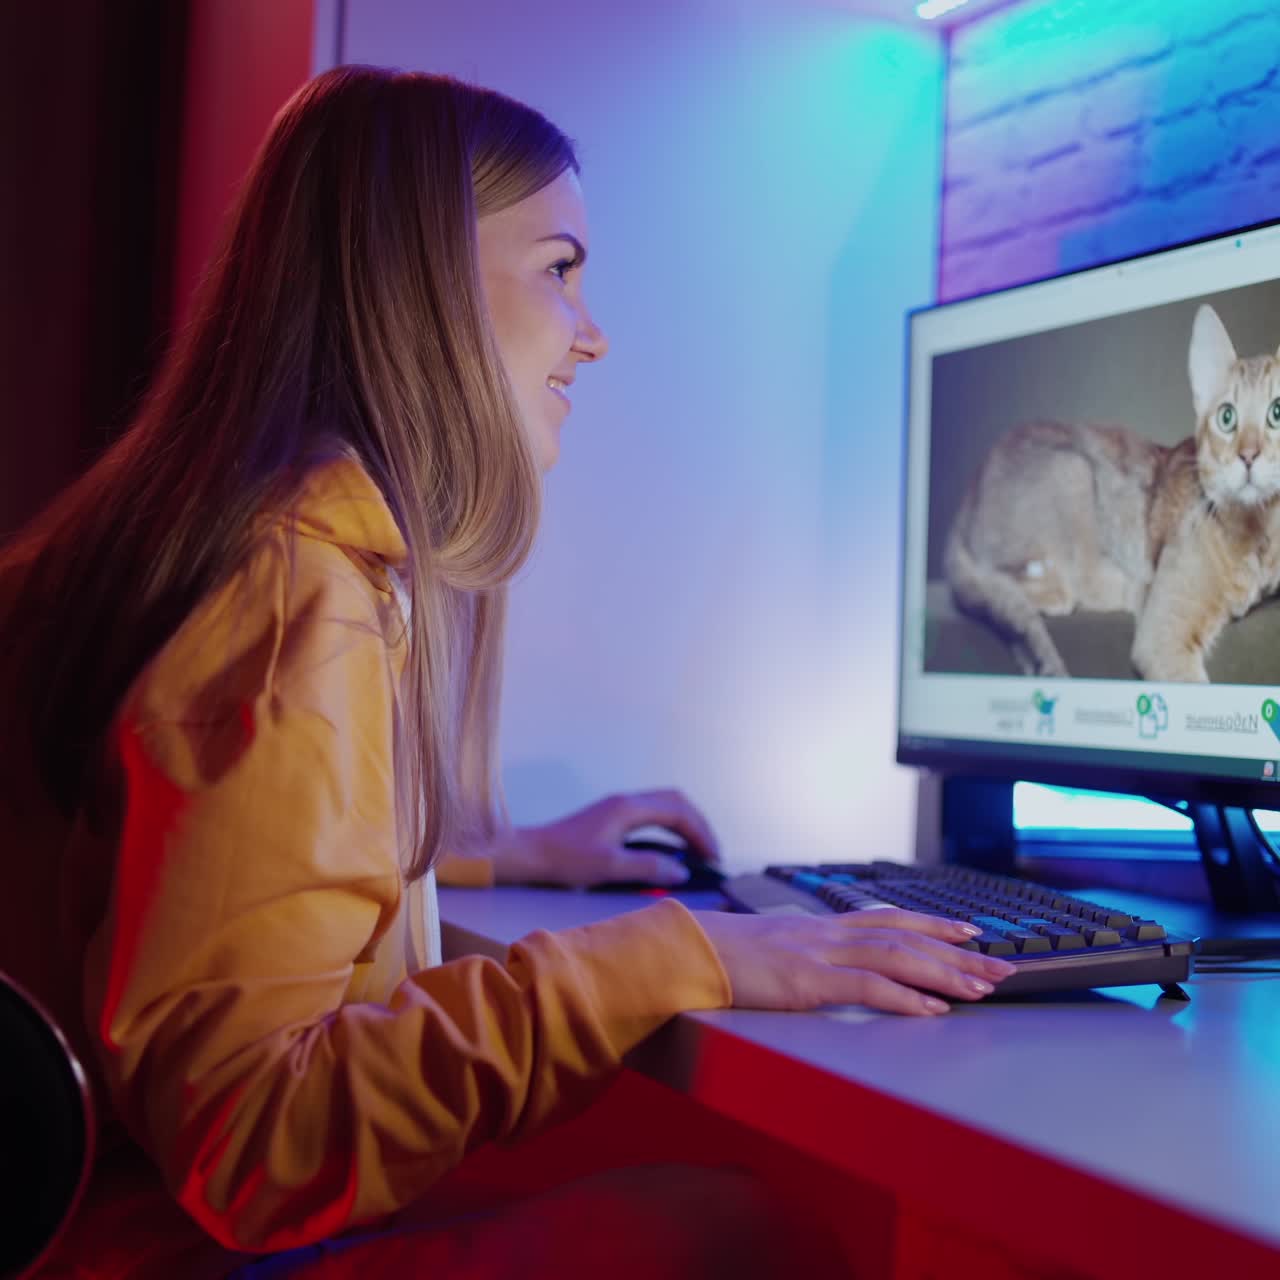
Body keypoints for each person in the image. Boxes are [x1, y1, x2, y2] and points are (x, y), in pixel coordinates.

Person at [0, 66, 1015, 1278]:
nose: (592, 334)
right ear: (419, 282)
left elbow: (208, 847)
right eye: (558, 267)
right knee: (753, 1229)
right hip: (148, 1246)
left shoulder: (219, 540)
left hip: (87, 1222)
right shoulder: (291, 599)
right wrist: (678, 947)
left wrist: (510, 851)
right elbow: (253, 1138)